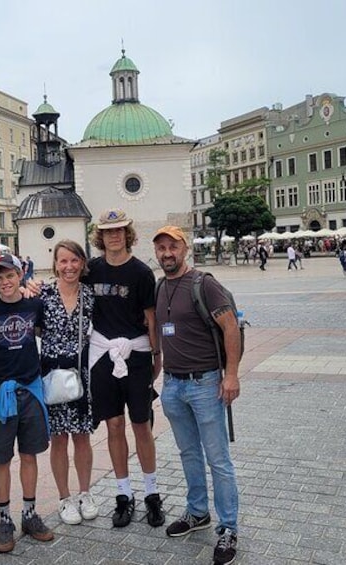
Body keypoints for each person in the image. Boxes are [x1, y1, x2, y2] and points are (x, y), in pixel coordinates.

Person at [152, 226, 240, 565]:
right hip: (173, 385)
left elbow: (230, 326)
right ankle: (197, 512)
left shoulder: (205, 284)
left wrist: (230, 375)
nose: (166, 253)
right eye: (161, 248)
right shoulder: (160, 287)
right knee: (188, 453)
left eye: (172, 246)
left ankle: (229, 527)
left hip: (205, 383)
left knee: (218, 459)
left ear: (184, 248)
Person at [87, 209, 163, 529]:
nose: (114, 236)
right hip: (103, 355)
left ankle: (151, 493)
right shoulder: (91, 269)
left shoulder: (142, 273)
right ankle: (123, 494)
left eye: (119, 230)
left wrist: (157, 355)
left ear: (127, 234)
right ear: (100, 237)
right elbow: (65, 286)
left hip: (136, 354)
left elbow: (151, 318)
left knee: (141, 425)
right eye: (108, 231)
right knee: (114, 426)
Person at [0, 254, 53, 553]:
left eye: (9, 275)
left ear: (20, 274)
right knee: (0, 458)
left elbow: (50, 328)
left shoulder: (34, 304)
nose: (5, 282)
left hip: (30, 388)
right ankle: (4, 518)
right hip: (0, 391)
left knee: (29, 454)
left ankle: (29, 513)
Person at [41, 241, 98, 525]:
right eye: (63, 261)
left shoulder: (90, 295)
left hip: (81, 375)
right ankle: (64, 498)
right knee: (59, 439)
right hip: (52, 375)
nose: (69, 267)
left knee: (82, 436)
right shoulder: (43, 294)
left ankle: (84, 493)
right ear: (56, 265)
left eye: (74, 260)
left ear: (82, 263)